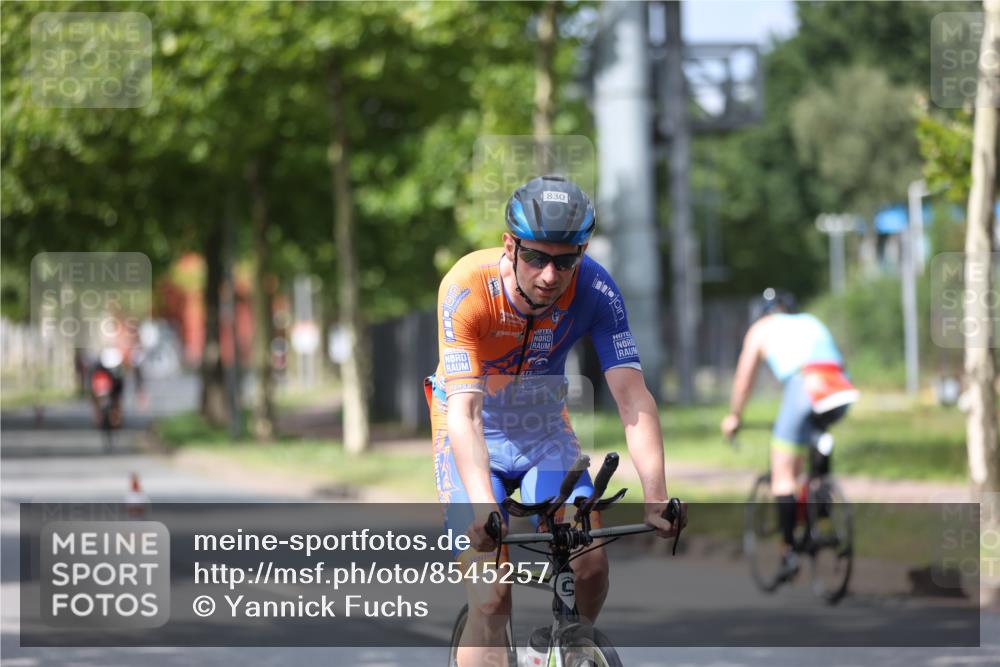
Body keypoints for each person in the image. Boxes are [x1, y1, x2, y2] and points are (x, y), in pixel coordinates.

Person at [427, 175, 686, 667]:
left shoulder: (595, 289)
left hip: (543, 433)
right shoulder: (466, 287)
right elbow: (465, 411)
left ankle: (568, 650)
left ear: (582, 252)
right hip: (469, 428)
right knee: (491, 598)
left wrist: (656, 495)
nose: (550, 275)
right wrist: (484, 507)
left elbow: (633, 398)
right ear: (510, 245)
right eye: (536, 258)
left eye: (566, 260)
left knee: (590, 566)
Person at [720, 288, 859, 581]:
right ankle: (820, 507)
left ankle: (788, 552)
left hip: (805, 386)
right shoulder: (810, 321)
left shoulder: (760, 328)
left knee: (783, 475)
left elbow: (744, 379)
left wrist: (735, 416)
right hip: (839, 388)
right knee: (810, 453)